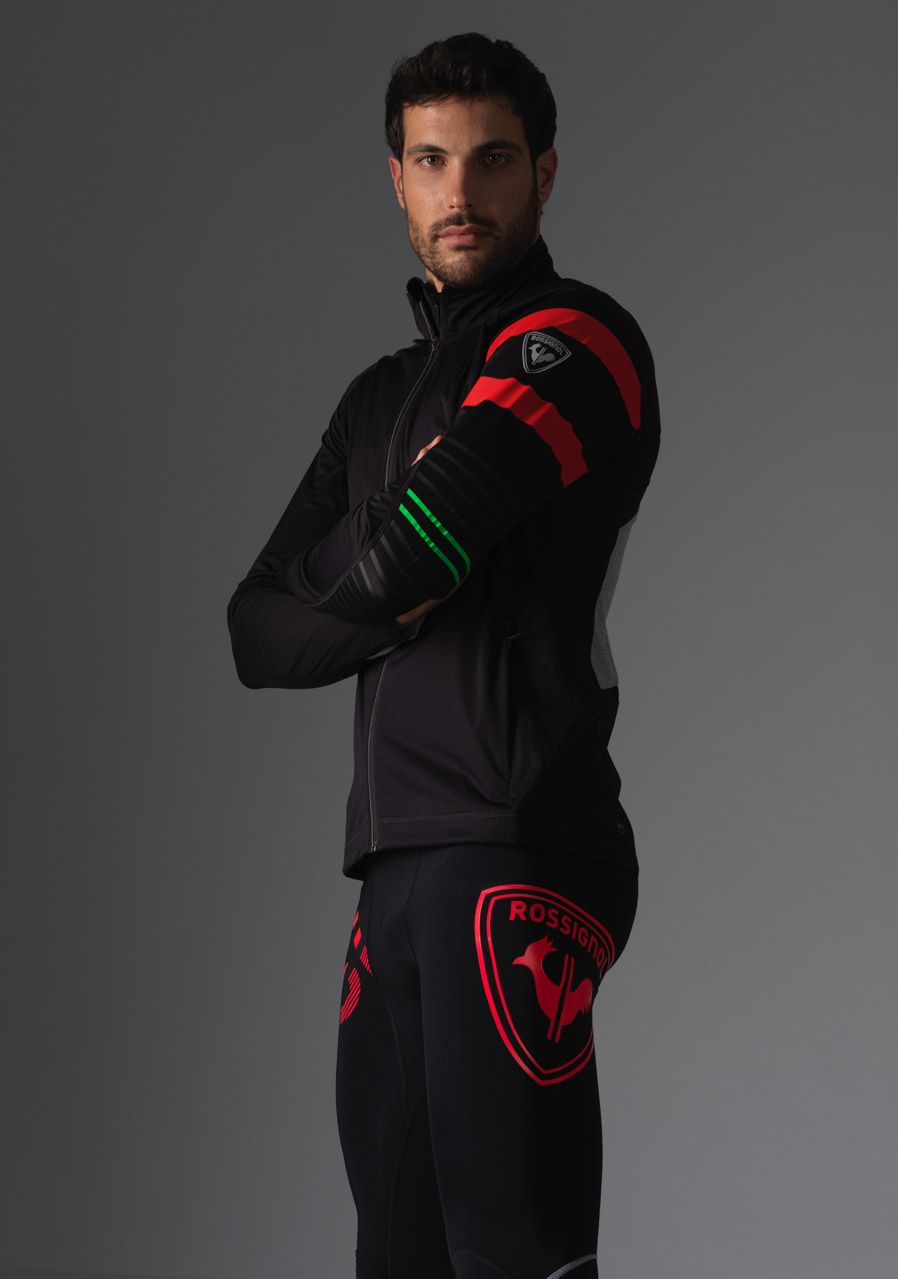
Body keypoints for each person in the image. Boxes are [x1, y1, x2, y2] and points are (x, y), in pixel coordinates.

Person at [227, 32, 660, 1279]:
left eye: (491, 159)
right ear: (397, 179)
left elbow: (410, 557)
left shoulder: (576, 342)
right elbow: (254, 630)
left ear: (545, 173)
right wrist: (393, 543)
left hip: (514, 839)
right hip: (392, 861)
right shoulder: (376, 401)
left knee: (511, 1251)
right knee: (396, 1256)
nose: (459, 191)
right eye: (431, 160)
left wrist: (385, 562)